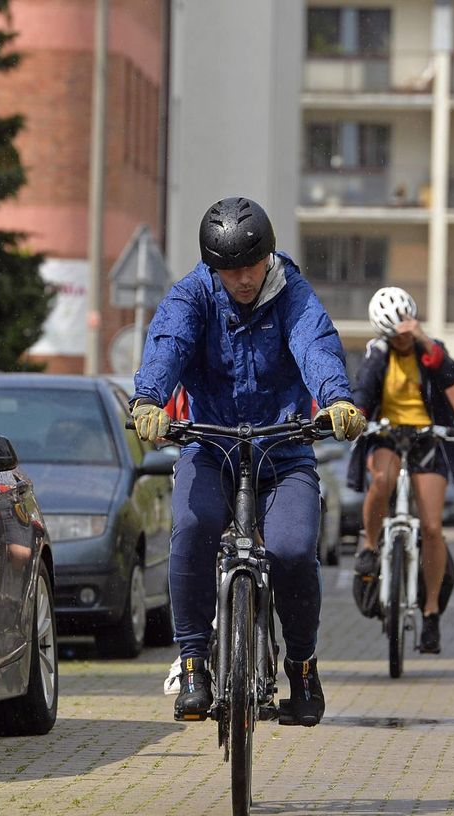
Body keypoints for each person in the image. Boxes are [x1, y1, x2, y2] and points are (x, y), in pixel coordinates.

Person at [130, 196, 366, 726]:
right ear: (213, 267)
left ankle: (302, 666)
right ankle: (193, 662)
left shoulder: (293, 293)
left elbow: (316, 344)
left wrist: (335, 400)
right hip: (209, 444)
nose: (241, 278)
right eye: (229, 269)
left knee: (291, 547)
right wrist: (148, 399)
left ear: (270, 255)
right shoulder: (192, 294)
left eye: (250, 266)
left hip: (284, 447)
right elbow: (169, 340)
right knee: (191, 527)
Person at [348, 286, 454, 654]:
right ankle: (370, 545)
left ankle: (431, 613)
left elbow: (451, 374)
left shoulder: (426, 349)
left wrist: (420, 338)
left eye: (404, 334)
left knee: (433, 527)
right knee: (382, 480)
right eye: (394, 337)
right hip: (387, 434)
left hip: (427, 437)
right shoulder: (377, 353)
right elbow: (363, 389)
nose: (401, 342)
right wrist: (357, 416)